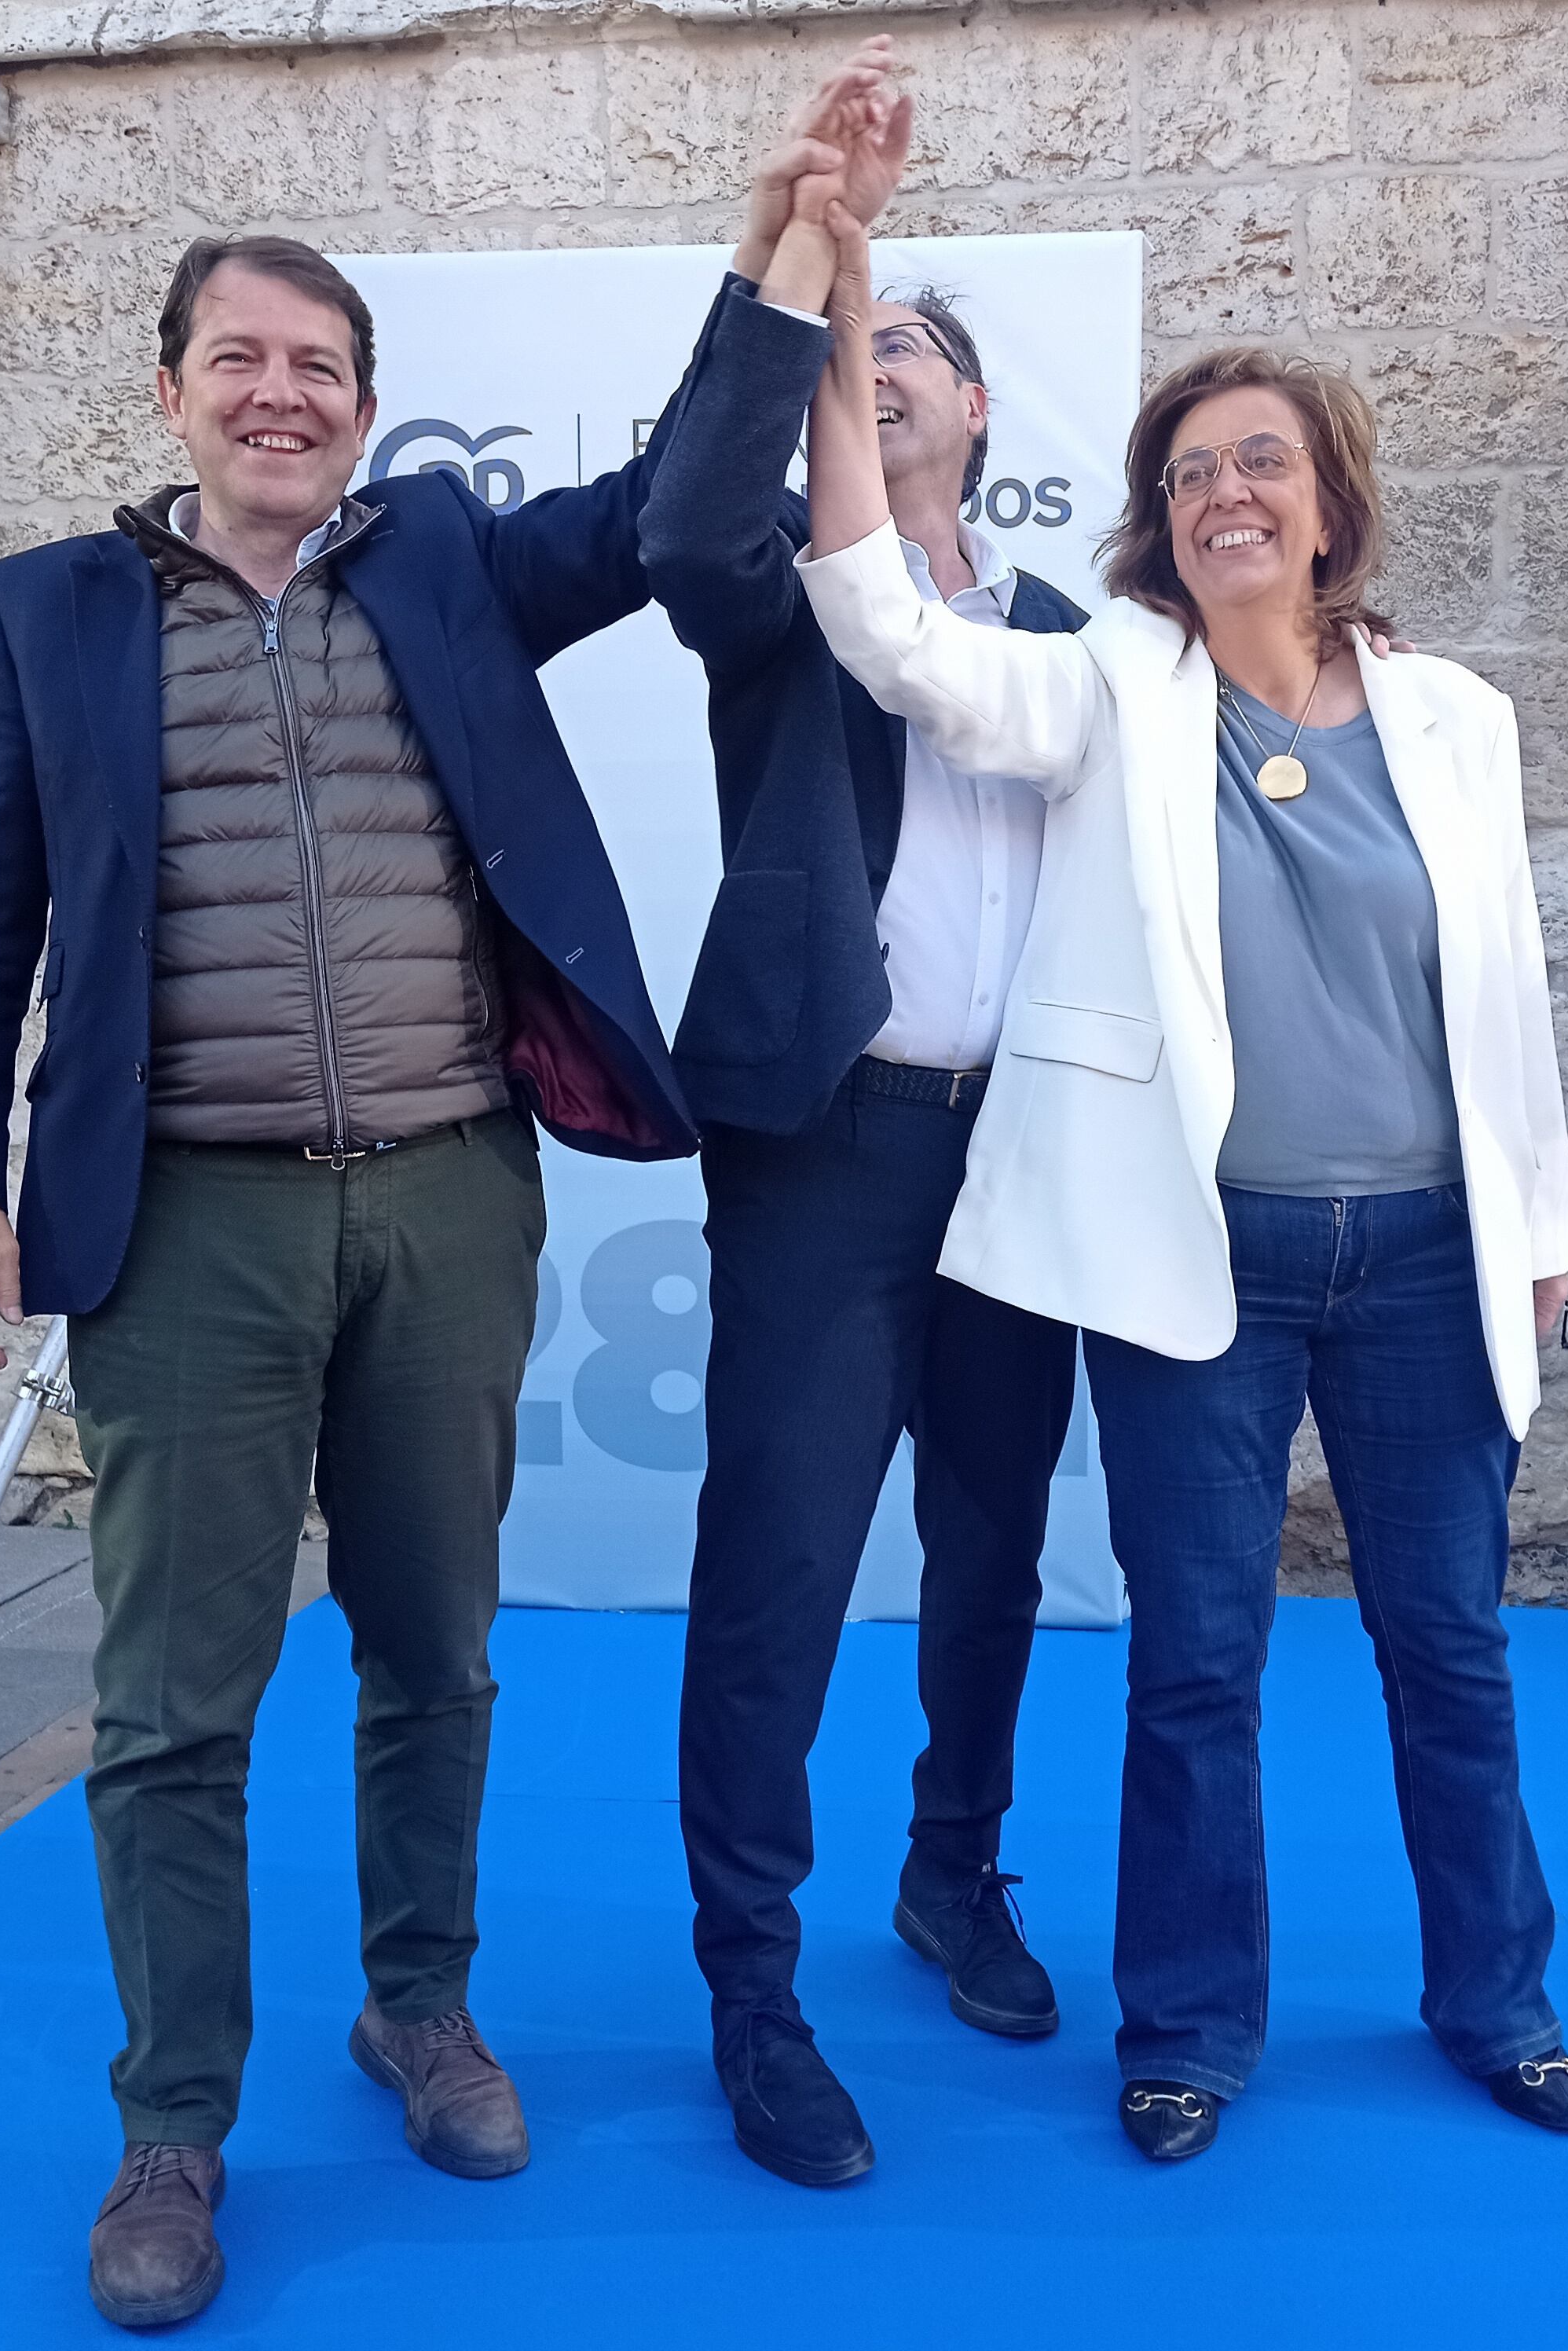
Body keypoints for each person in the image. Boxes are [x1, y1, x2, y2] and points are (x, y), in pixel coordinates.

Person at [0, 233, 820, 2326]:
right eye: (240, 357)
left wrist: (783, 271)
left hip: (443, 1200)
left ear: (367, 399)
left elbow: (683, 503)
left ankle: (422, 2009)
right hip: (184, 1229)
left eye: (321, 363)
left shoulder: (456, 569)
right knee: (171, 1707)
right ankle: (172, 2132)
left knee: (434, 1650)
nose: (282, 393)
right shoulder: (48, 614)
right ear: (173, 393)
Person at [789, 196, 1568, 2164]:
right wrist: (837, 322)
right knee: (1194, 1657)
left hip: (1424, 1252)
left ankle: (1497, 1995)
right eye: (1188, 469)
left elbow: (1504, 994)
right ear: (1158, 515)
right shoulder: (1105, 685)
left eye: (1263, 462)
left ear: (1326, 504)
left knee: (1448, 1646)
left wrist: (1540, 1226)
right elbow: (887, 627)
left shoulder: (1454, 720)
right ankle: (1188, 2026)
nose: (1225, 492)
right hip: (1197, 1259)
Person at [631, 47, 1092, 2189]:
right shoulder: (781, 608)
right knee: (787, 1563)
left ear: (983, 409)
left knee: (993, 1546)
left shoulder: (1090, 645)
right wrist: (816, 264)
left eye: (916, 351)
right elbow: (688, 517)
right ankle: (753, 1986)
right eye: (860, 356)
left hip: (1028, 1159)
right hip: (832, 1145)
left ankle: (952, 1871)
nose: (886, 368)